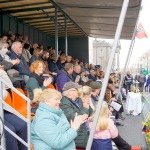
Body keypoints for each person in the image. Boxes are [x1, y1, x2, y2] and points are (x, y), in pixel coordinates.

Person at [60, 82, 92, 149]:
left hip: (85, 133)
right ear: (69, 92)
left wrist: (87, 105)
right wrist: (85, 107)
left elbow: (90, 113)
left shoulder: (78, 100)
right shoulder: (64, 103)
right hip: (77, 138)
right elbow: (76, 119)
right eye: (76, 89)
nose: (78, 91)